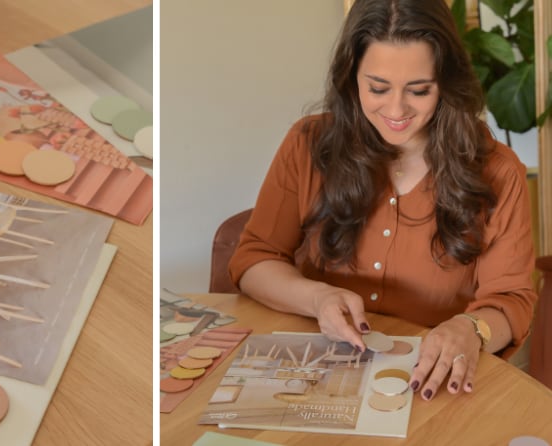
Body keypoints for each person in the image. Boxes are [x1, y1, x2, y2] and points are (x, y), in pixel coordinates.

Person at [228, 0, 537, 402]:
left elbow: (511, 302)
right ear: (350, 77)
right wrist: (317, 297)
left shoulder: (498, 172)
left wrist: (471, 329)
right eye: (377, 88)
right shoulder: (307, 145)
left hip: (432, 386)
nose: (396, 110)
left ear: (446, 81)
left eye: (419, 90)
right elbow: (254, 258)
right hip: (315, 380)